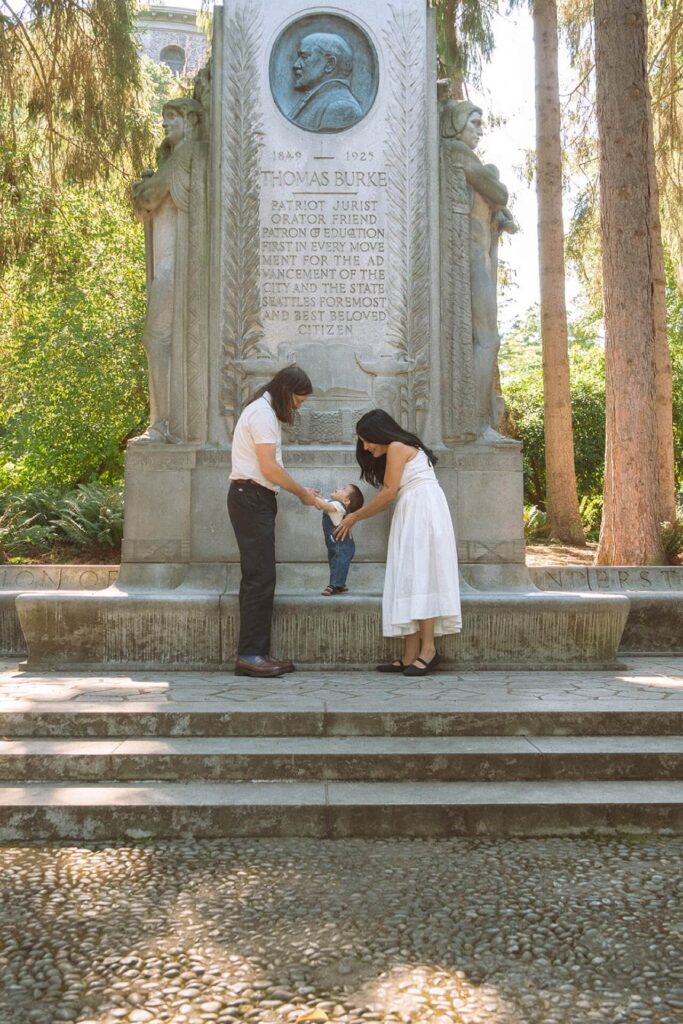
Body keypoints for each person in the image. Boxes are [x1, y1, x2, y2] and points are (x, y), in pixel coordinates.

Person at [335, 409, 461, 675]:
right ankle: (409, 654)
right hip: (414, 509)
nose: (366, 447)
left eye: (367, 440)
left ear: (379, 433)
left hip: (422, 510)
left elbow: (389, 492)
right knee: (409, 576)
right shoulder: (400, 448)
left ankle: (429, 650)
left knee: (421, 576)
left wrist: (354, 516)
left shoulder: (397, 446)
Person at [228, 366, 319, 678]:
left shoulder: (262, 411)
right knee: (259, 577)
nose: (298, 405)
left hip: (255, 499)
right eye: (299, 399)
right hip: (251, 498)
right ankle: (251, 655)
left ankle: (257, 653)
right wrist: (302, 492)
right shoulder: (263, 414)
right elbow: (269, 467)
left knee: (261, 576)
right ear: (286, 391)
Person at [440, 100, 517, 441]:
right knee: (486, 337)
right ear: (457, 125)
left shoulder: (462, 157)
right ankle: (475, 422)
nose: (480, 130)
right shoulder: (457, 152)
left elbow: (493, 200)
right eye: (474, 123)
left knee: (486, 337)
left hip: (477, 256)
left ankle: (479, 418)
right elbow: (498, 191)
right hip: (468, 259)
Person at [289, 33, 363, 132]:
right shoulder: (318, 99)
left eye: (304, 57)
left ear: (330, 64)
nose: (296, 65)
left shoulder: (342, 108)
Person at [314, 483, 364, 596]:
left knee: (338, 563)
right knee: (335, 563)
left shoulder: (339, 506)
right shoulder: (335, 504)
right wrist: (316, 497)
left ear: (346, 501)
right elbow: (322, 503)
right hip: (335, 543)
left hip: (342, 545)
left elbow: (324, 505)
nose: (338, 487)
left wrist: (311, 497)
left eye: (343, 488)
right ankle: (340, 584)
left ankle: (334, 585)